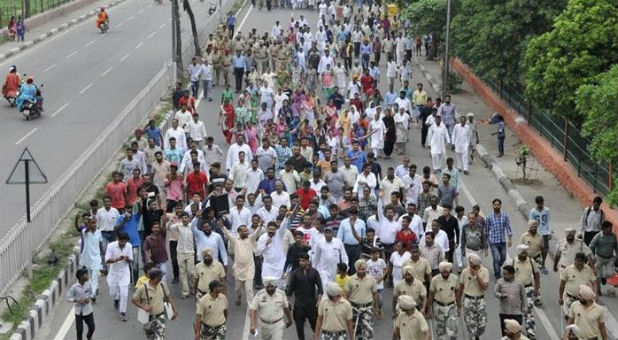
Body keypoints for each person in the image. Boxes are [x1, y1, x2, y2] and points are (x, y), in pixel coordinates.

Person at [221, 222, 263, 305]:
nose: (247, 233)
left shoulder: (250, 239)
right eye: (244, 231)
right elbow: (228, 235)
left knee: (249, 289)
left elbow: (256, 233)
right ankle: (239, 296)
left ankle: (251, 306)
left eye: (247, 231)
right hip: (238, 268)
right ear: (239, 232)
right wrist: (222, 226)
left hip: (249, 268)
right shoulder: (235, 240)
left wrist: (260, 225)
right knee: (238, 288)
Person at [132, 268, 178, 340]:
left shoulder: (162, 285)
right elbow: (133, 300)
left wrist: (174, 310)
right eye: (161, 276)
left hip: (160, 317)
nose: (162, 277)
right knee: (151, 338)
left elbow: (169, 297)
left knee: (160, 338)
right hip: (148, 318)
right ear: (156, 278)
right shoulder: (143, 288)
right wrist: (143, 307)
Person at [286, 253, 323, 340]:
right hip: (299, 304)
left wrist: (319, 300)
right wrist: (286, 300)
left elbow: (320, 287)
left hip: (312, 304)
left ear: (308, 261)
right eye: (300, 261)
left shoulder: (314, 272)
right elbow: (290, 288)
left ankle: (316, 336)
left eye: (303, 261)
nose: (301, 263)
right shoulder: (295, 273)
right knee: (299, 327)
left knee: (314, 324)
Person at [509, 245, 540, 339]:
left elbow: (536, 274)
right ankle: (515, 330)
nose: (525, 254)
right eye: (523, 252)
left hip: (528, 289)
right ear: (518, 253)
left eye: (526, 252)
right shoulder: (512, 262)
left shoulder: (531, 261)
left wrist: (536, 288)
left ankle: (530, 332)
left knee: (529, 310)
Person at [344, 260, 380, 340]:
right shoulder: (350, 279)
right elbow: (345, 294)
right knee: (355, 331)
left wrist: (376, 308)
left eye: (363, 269)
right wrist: (347, 306)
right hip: (354, 308)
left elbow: (375, 294)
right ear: (356, 269)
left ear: (366, 269)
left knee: (368, 331)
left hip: (367, 308)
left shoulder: (371, 279)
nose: (361, 271)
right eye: (359, 269)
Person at [459, 253, 489, 340]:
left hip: (480, 300)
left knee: (482, 324)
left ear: (477, 265)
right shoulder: (465, 271)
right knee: (470, 325)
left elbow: (485, 287)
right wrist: (458, 302)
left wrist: (476, 276)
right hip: (468, 300)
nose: (469, 265)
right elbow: (460, 287)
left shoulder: (485, 271)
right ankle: (473, 336)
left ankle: (476, 335)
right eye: (469, 263)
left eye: (471, 264)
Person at [105, 232, 132, 321]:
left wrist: (127, 259)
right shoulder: (111, 246)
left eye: (125, 241)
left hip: (124, 272)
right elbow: (107, 260)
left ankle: (122, 312)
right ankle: (116, 299)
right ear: (118, 239)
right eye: (121, 241)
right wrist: (117, 259)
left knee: (124, 293)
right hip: (114, 272)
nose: (123, 243)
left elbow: (131, 260)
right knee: (113, 292)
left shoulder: (129, 246)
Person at [427, 261, 459, 340]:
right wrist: (429, 309)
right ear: (440, 271)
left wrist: (459, 307)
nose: (445, 274)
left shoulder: (454, 278)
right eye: (443, 272)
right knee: (440, 332)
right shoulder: (435, 280)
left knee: (453, 331)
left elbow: (458, 292)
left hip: (451, 306)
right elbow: (431, 294)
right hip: (439, 307)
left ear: (450, 271)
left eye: (447, 272)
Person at [494, 265, 527, 336]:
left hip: (516, 312)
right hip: (504, 312)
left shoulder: (519, 282)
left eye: (506, 274)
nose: (504, 276)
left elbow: (523, 295)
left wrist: (525, 307)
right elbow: (495, 292)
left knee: (516, 333)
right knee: (505, 333)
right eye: (503, 274)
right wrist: (501, 295)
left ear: (512, 274)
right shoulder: (500, 281)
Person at [589, 221, 618, 296]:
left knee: (610, 273)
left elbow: (616, 247)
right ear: (604, 229)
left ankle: (603, 277)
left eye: (611, 228)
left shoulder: (613, 236)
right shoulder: (598, 236)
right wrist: (592, 257)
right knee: (597, 276)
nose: (610, 229)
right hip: (599, 257)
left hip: (609, 258)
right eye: (608, 228)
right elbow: (591, 246)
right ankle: (598, 290)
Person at [486, 198, 513, 279]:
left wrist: (510, 239)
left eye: (498, 205)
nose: (496, 206)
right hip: (493, 241)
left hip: (502, 241)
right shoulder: (489, 217)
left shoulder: (505, 216)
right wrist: (486, 244)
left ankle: (497, 265)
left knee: (503, 258)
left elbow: (508, 227)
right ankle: (497, 274)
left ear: (500, 206)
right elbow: (486, 230)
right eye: (495, 205)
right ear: (492, 206)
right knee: (496, 258)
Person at [66, 268, 96, 340]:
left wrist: (89, 298)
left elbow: (92, 293)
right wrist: (77, 301)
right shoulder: (74, 287)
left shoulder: (88, 284)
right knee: (79, 331)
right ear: (81, 277)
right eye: (86, 275)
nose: (87, 276)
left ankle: (89, 336)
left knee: (92, 327)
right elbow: (68, 298)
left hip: (88, 310)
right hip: (79, 312)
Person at [528, 196, 551, 273]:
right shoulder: (533, 211)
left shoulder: (547, 210)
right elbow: (531, 222)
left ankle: (543, 264)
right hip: (536, 232)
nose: (541, 205)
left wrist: (549, 232)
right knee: (535, 248)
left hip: (545, 232)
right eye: (540, 203)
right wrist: (530, 231)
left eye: (542, 203)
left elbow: (548, 221)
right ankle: (533, 263)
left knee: (545, 249)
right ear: (537, 203)